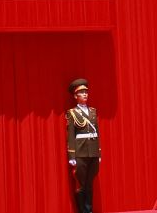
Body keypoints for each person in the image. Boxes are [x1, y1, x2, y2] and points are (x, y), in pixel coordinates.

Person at [65, 79, 99, 213]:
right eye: (81, 93)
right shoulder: (72, 113)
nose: (85, 94)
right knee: (81, 184)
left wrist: (99, 152)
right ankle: (82, 211)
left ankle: (89, 210)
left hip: (93, 152)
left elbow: (97, 132)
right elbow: (71, 135)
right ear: (75, 96)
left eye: (86, 92)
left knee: (90, 184)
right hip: (80, 152)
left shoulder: (93, 112)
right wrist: (71, 154)